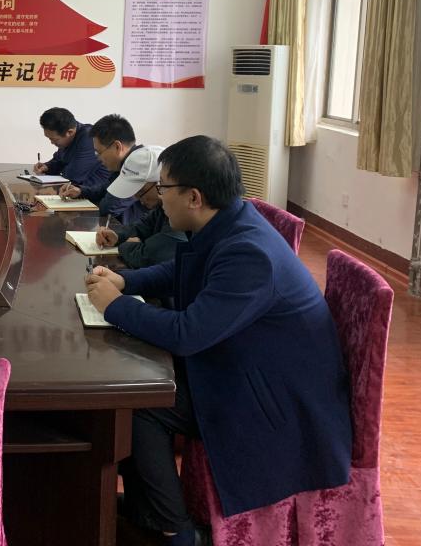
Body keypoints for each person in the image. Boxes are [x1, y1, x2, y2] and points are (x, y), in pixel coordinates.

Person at [84, 136, 351, 546]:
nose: (158, 197)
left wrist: (115, 306)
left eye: (164, 188)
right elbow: (182, 271)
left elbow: (187, 334)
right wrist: (126, 281)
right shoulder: (229, 222)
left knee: (140, 403)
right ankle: (147, 510)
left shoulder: (248, 253)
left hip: (274, 402)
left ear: (194, 197)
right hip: (246, 367)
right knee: (137, 384)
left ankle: (177, 531)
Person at [93, 143, 187, 268]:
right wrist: (118, 236)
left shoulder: (181, 213)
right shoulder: (160, 208)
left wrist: (126, 245)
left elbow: (148, 256)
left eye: (141, 192)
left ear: (160, 182)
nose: (137, 199)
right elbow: (141, 226)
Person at [59, 114, 149, 222]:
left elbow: (109, 208)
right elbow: (105, 189)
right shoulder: (125, 162)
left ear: (117, 147)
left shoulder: (138, 166)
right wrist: (81, 191)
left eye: (99, 152)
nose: (98, 159)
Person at [32, 107, 110, 192]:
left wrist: (61, 168)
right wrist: (47, 166)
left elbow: (73, 175)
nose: (52, 142)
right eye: (49, 138)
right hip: (74, 190)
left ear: (70, 132)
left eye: (54, 139)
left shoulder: (89, 138)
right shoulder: (68, 137)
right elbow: (59, 160)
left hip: (95, 193)